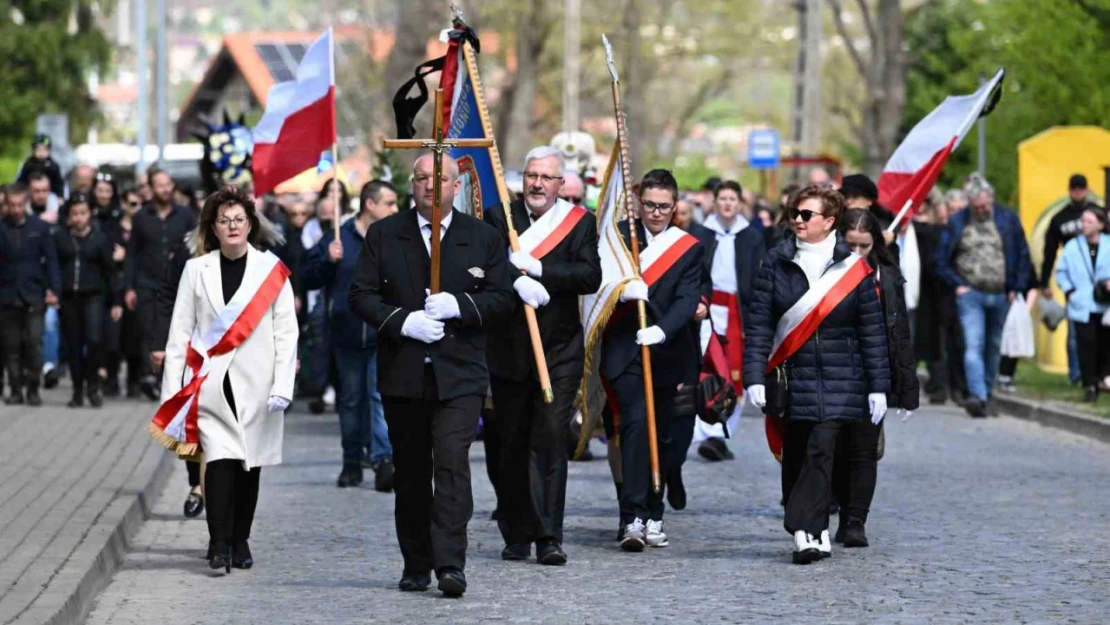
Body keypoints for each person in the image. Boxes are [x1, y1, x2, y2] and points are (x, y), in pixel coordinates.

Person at [347, 154, 513, 597]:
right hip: (405, 372)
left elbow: (503, 297)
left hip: (459, 374)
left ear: (455, 186)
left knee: (453, 464)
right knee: (413, 472)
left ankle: (450, 564)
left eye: (438, 178)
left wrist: (461, 306)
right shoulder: (386, 234)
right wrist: (403, 321)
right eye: (420, 178)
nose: (428, 185)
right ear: (411, 185)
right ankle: (416, 562)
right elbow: (361, 295)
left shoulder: (481, 237)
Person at [743, 185, 889, 564]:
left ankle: (809, 530)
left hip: (843, 377)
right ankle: (812, 526)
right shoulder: (775, 262)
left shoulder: (853, 268)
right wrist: (754, 376)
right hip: (792, 376)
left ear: (828, 221)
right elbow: (759, 324)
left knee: (822, 451)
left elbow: (871, 332)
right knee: (795, 455)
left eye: (807, 214)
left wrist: (879, 387)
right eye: (795, 212)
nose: (798, 219)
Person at [158, 186, 298, 573]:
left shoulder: (271, 271)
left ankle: (240, 539)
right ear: (213, 228)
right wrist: (172, 393)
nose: (233, 226)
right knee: (219, 463)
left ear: (250, 225)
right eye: (224, 221)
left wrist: (283, 385)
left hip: (259, 387)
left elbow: (286, 332)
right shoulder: (196, 270)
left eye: (239, 219)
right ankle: (218, 544)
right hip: (211, 386)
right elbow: (180, 333)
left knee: (249, 467)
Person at [483, 146, 601, 565]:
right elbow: (483, 269)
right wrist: (512, 280)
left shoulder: (579, 223)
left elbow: (590, 275)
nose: (536, 184)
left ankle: (549, 535)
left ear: (559, 184)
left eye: (546, 178)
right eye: (531, 175)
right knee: (510, 442)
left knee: (549, 438)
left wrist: (542, 271)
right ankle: (516, 532)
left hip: (558, 351)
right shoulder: (500, 218)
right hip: (508, 348)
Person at [601, 169, 704, 552]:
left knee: (663, 436)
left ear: (674, 206)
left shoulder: (689, 247)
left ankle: (655, 513)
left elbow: (687, 298)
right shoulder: (619, 238)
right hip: (625, 349)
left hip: (666, 350)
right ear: (638, 201)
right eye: (649, 205)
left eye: (663, 206)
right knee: (635, 427)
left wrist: (663, 330)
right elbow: (598, 283)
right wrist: (620, 291)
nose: (656, 213)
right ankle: (631, 515)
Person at [302, 180, 399, 490]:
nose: (395, 209)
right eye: (390, 203)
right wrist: (328, 260)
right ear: (370, 205)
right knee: (351, 400)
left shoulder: (393, 238)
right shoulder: (338, 237)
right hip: (345, 334)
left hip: (382, 333)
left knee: (379, 397)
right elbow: (308, 276)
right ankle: (351, 462)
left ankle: (383, 461)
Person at [834, 209, 919, 547]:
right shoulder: (825, 272)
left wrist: (906, 386)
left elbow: (900, 332)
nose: (857, 254)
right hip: (836, 370)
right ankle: (840, 508)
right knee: (836, 450)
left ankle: (856, 521)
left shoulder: (886, 275)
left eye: (864, 246)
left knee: (865, 451)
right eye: (850, 245)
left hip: (875, 374)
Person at [936, 175, 1035, 418]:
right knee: (974, 344)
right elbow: (940, 260)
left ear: (991, 199)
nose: (982, 210)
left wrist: (1016, 287)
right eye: (977, 206)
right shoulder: (958, 221)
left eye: (985, 205)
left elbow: (1021, 253)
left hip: (1001, 293)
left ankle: (987, 391)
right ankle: (977, 396)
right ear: (970, 203)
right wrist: (957, 284)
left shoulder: (1007, 218)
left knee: (993, 345)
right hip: (971, 294)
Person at [688, 180, 766, 465]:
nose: (728, 204)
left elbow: (757, 278)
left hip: (737, 310)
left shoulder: (752, 236)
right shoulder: (700, 233)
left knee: (734, 372)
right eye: (723, 198)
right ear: (715, 202)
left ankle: (723, 432)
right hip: (707, 307)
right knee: (707, 367)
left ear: (740, 203)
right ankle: (708, 431)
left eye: (734, 198)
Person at [124, 168, 196, 400]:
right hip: (147, 282)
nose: (165, 189)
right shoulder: (142, 217)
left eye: (168, 184)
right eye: (159, 185)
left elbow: (196, 246)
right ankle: (150, 377)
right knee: (148, 329)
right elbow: (132, 254)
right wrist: (129, 287)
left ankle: (170, 378)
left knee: (174, 329)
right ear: (151, 189)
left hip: (178, 283)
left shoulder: (186, 215)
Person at [54, 193, 121, 408]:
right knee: (73, 345)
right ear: (69, 216)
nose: (79, 218)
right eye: (75, 214)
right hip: (69, 297)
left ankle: (93, 387)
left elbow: (110, 271)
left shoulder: (100, 239)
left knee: (94, 340)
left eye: (83, 213)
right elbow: (54, 267)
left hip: (94, 295)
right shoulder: (61, 237)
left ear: (89, 214)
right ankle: (77, 391)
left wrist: (116, 300)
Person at [0, 183, 61, 406]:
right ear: (6, 204)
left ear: (25, 203)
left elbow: (51, 260)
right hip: (7, 296)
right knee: (12, 346)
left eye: (19, 204)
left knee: (35, 343)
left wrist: (54, 290)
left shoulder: (39, 227)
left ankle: (33, 388)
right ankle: (16, 389)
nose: (16, 209)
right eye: (11, 205)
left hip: (34, 294)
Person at [1040, 174, 1100, 387]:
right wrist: (1044, 282)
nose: (1078, 192)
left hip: (1099, 277)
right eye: (1074, 188)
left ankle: (1097, 374)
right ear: (1069, 190)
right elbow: (1049, 252)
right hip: (1076, 279)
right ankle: (1076, 374)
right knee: (1076, 330)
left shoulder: (1097, 212)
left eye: (1081, 188)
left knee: (1100, 329)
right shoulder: (1060, 218)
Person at [913, 193, 966, 405]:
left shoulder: (959, 232)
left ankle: (957, 386)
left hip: (956, 292)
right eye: (951, 208)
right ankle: (939, 385)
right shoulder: (931, 232)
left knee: (957, 342)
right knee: (936, 341)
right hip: (932, 293)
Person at [1055, 206, 1110, 403]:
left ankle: (1103, 378)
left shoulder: (1108, 245)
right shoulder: (1072, 246)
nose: (1084, 225)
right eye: (1083, 221)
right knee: (1086, 345)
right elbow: (1061, 272)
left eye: (1089, 221)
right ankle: (1089, 385)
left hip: (1105, 304)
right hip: (1082, 303)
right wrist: (1070, 291)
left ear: (1100, 225)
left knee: (1104, 345)